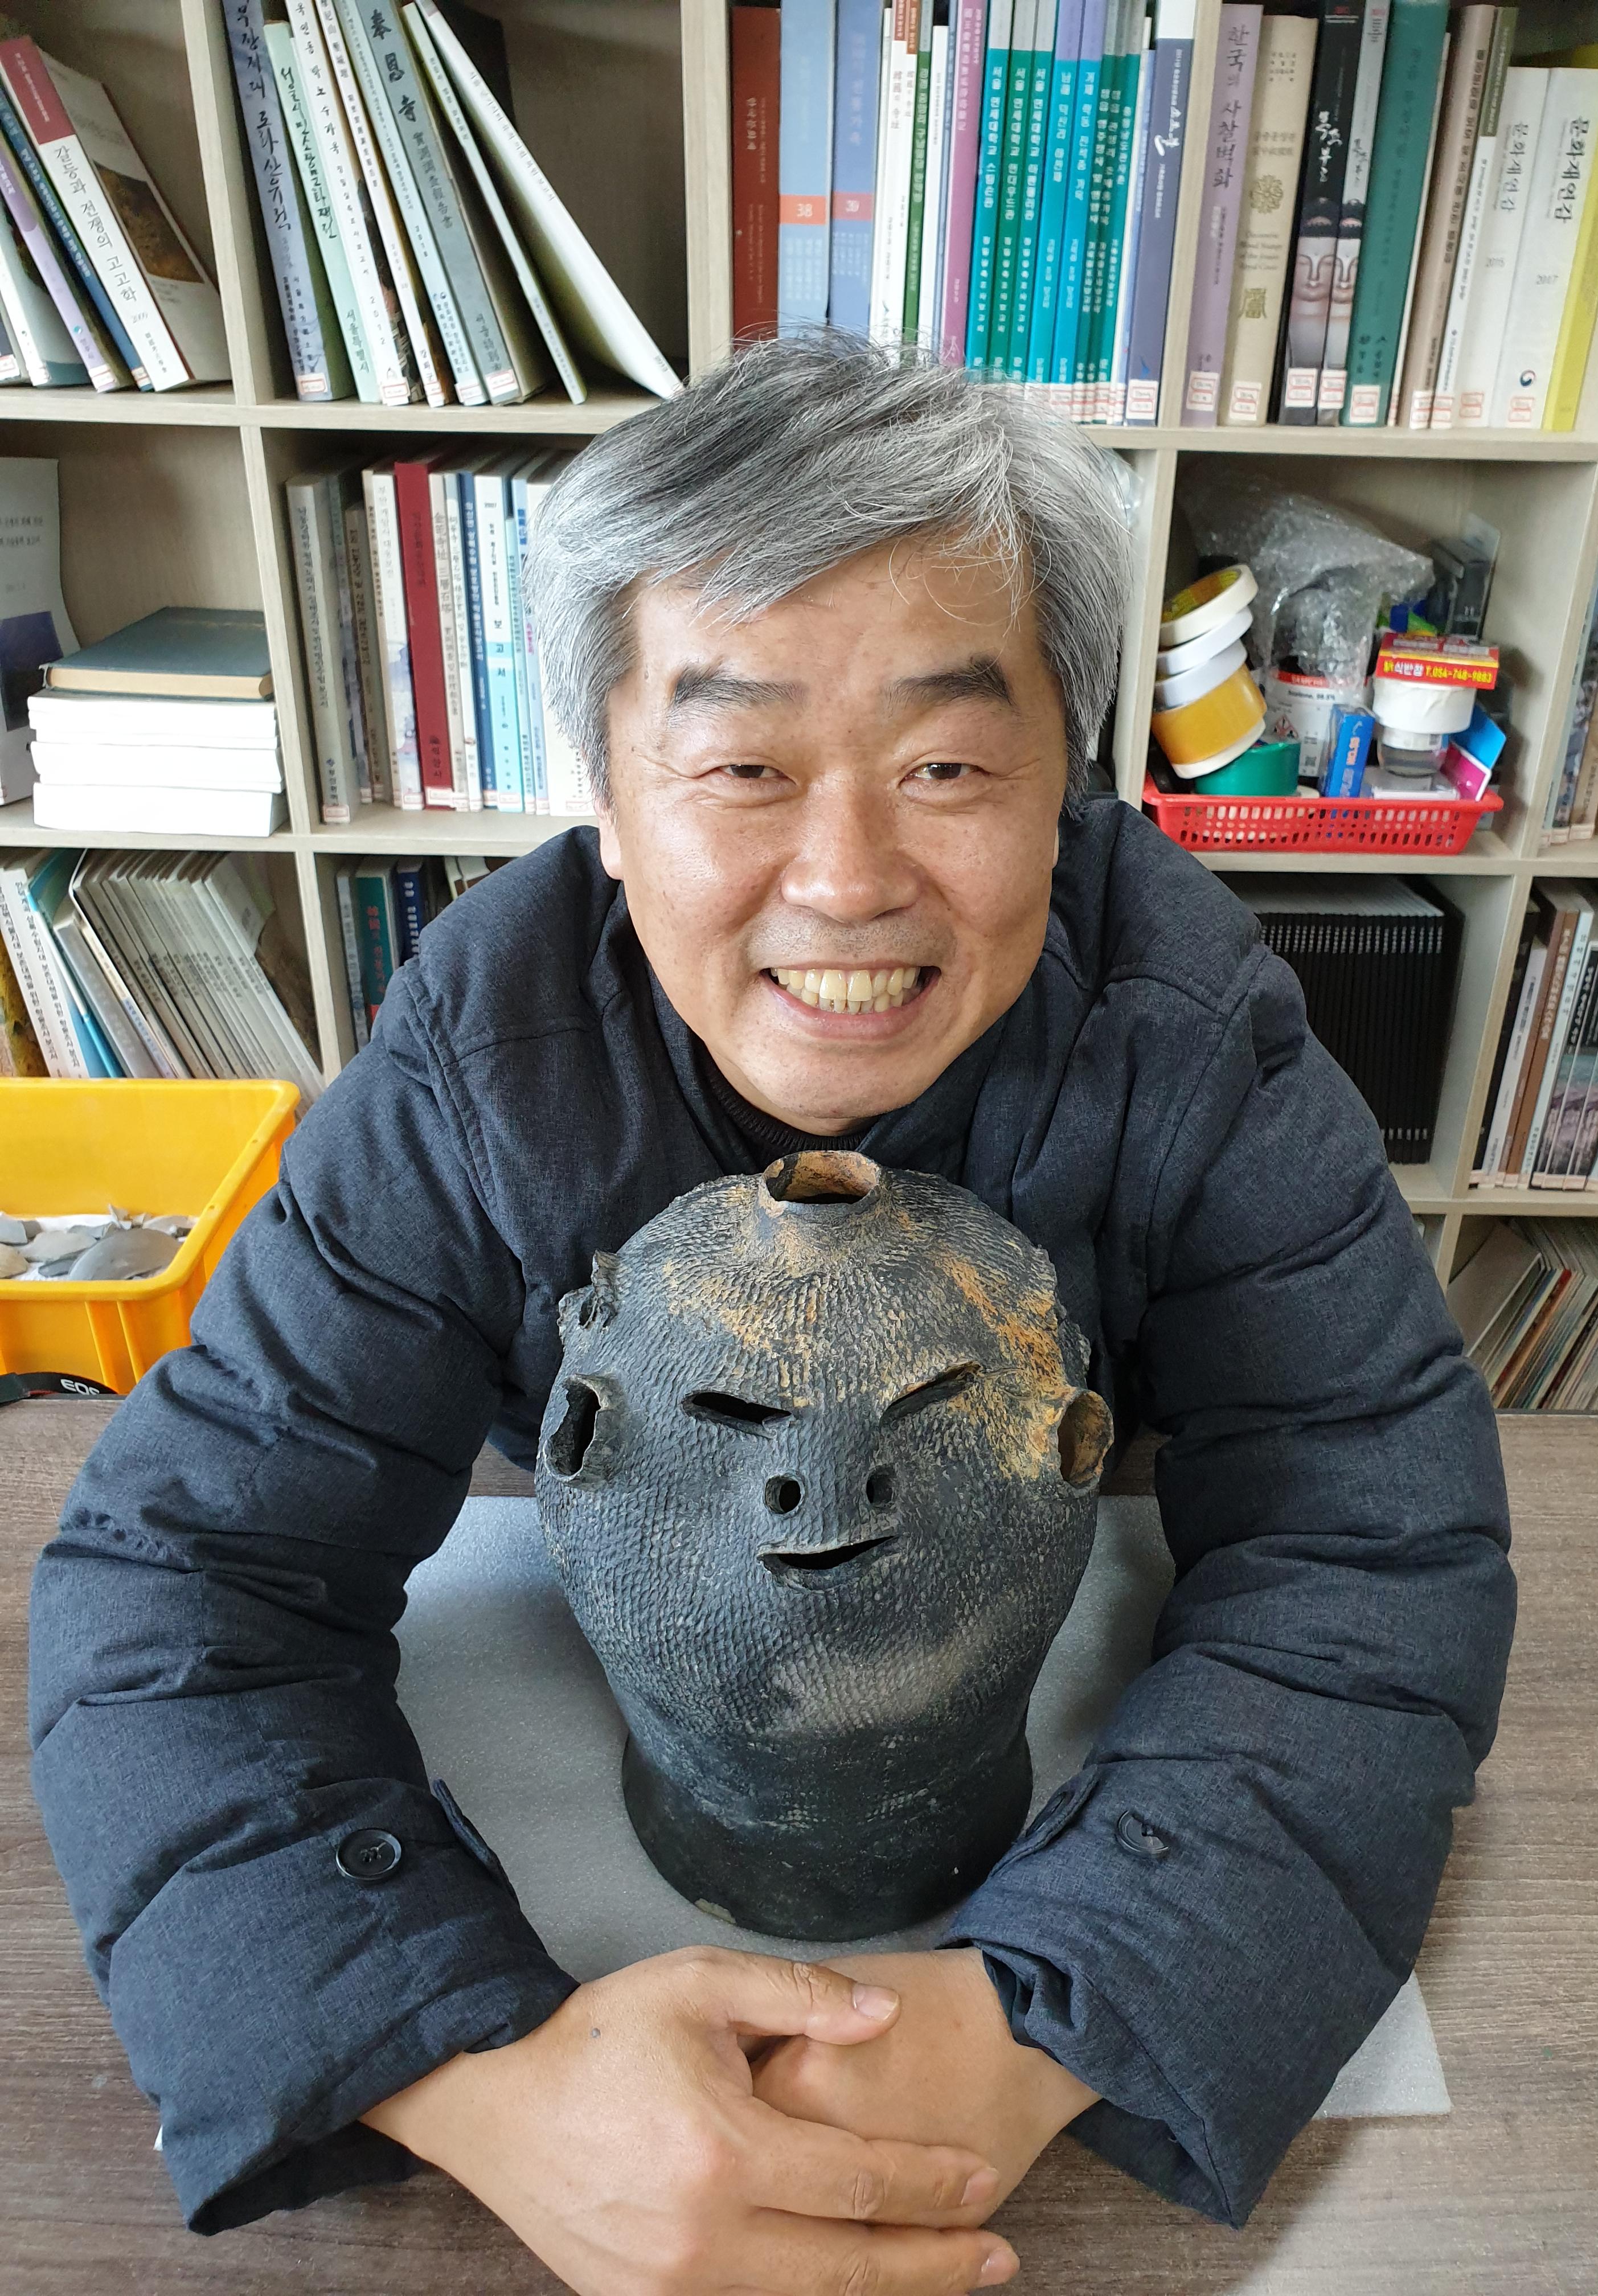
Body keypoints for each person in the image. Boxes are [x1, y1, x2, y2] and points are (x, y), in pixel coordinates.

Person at [30, 332, 1515, 2296]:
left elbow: (1376, 1542)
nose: (846, 878)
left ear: (1069, 786)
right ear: (608, 796)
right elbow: (183, 1579)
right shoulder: (481, 1057)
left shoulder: (1191, 1032)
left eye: (947, 767)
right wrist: (474, 2077)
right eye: (741, 768)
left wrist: (1060, 2007)